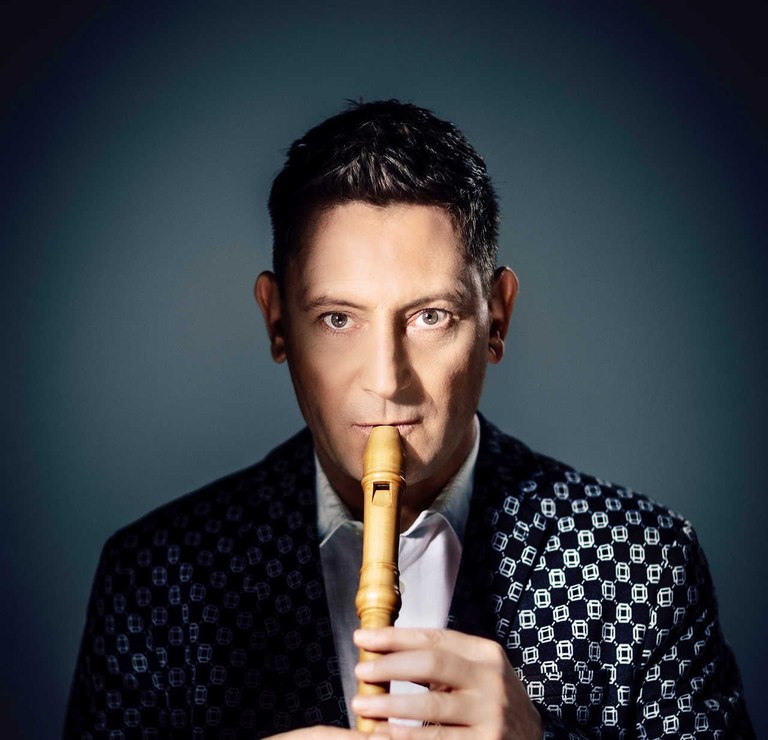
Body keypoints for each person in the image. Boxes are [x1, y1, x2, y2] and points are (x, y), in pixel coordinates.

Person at [65, 100, 754, 739]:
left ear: (496, 318)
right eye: (338, 319)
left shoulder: (644, 565)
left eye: (430, 316)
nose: (387, 380)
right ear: (277, 323)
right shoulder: (157, 578)